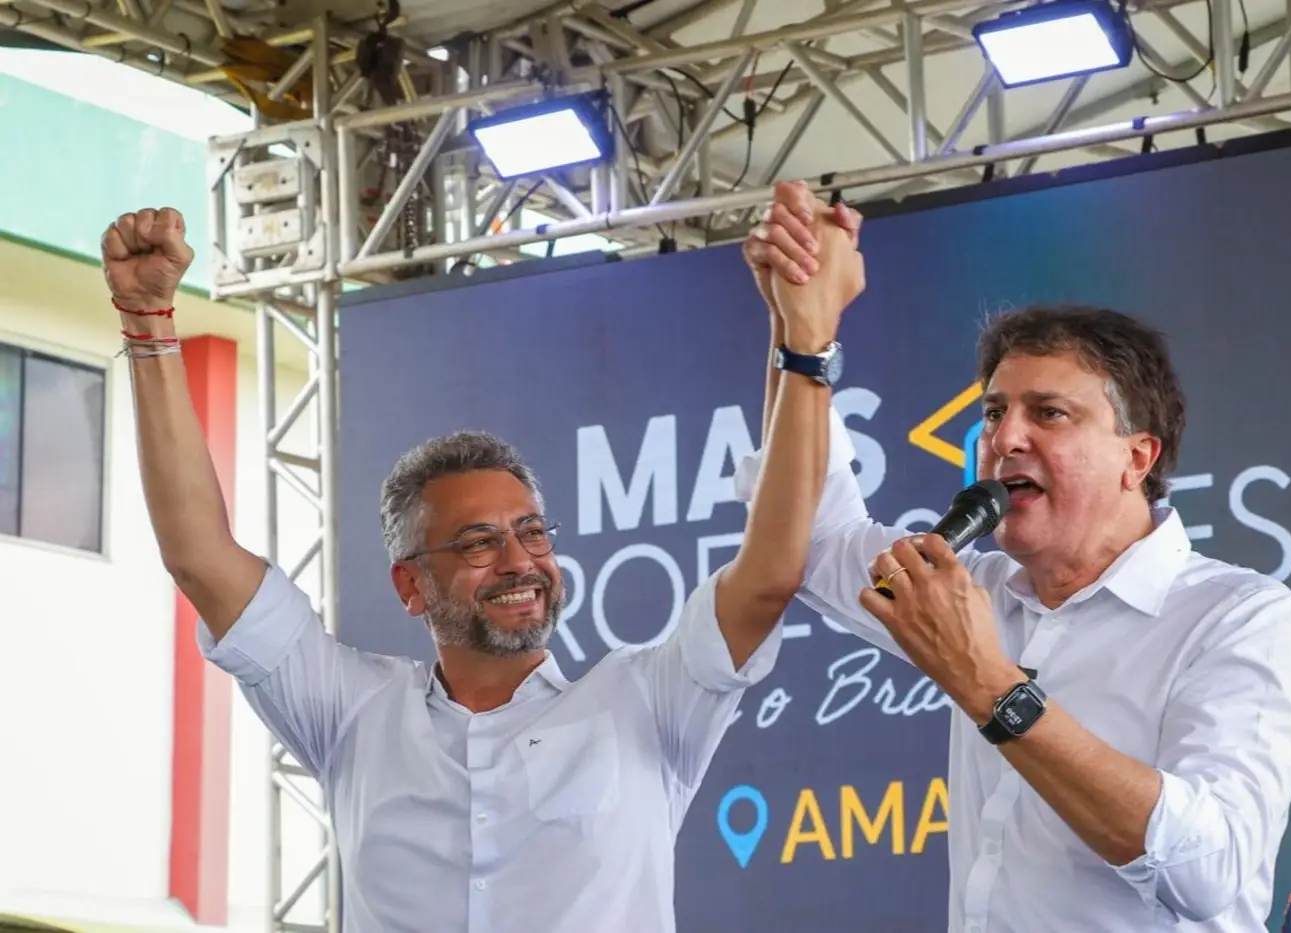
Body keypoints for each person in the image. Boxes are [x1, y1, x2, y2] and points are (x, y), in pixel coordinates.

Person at [101, 204, 863, 932]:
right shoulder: (354, 714)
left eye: (531, 532)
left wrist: (802, 339)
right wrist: (147, 322)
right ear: (410, 584)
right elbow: (198, 556)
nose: (519, 562)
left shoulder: (644, 701)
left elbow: (771, 569)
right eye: (477, 543)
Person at [739, 181, 1291, 932]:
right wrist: (800, 331)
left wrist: (988, 684)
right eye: (994, 412)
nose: (1004, 438)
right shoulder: (971, 589)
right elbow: (809, 534)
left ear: (1137, 457)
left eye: (1049, 412)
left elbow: (1207, 870)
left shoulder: (1239, 618)